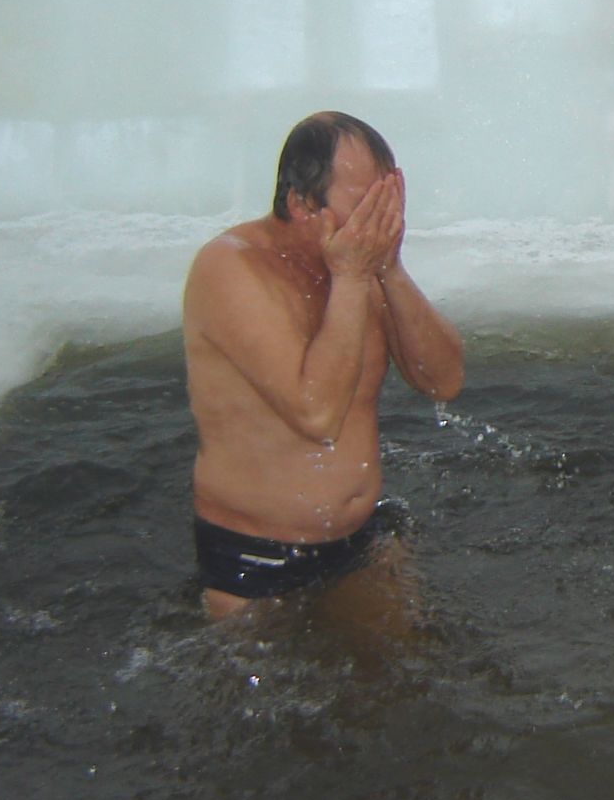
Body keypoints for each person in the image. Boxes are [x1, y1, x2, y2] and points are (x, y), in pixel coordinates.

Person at [182, 112, 464, 619]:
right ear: (300, 203)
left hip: (359, 539)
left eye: (387, 204)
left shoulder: (359, 259)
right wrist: (354, 275)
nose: (375, 226)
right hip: (254, 552)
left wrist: (390, 270)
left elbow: (443, 381)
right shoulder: (230, 268)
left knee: (399, 687)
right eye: (363, 208)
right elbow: (317, 415)